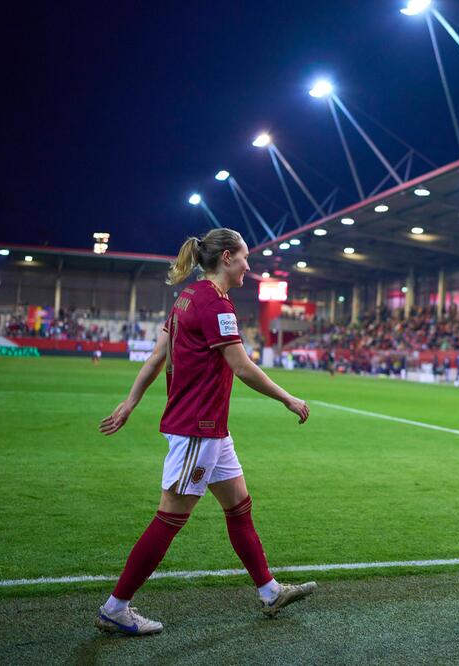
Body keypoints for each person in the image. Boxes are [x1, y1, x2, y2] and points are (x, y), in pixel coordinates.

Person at [95, 229, 315, 636]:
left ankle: (269, 591)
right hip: (198, 428)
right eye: (246, 257)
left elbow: (156, 358)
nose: (250, 265)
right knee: (169, 518)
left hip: (212, 431)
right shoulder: (214, 303)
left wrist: (131, 402)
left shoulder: (188, 297)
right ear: (228, 257)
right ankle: (116, 607)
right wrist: (288, 398)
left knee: (240, 506)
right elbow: (242, 366)